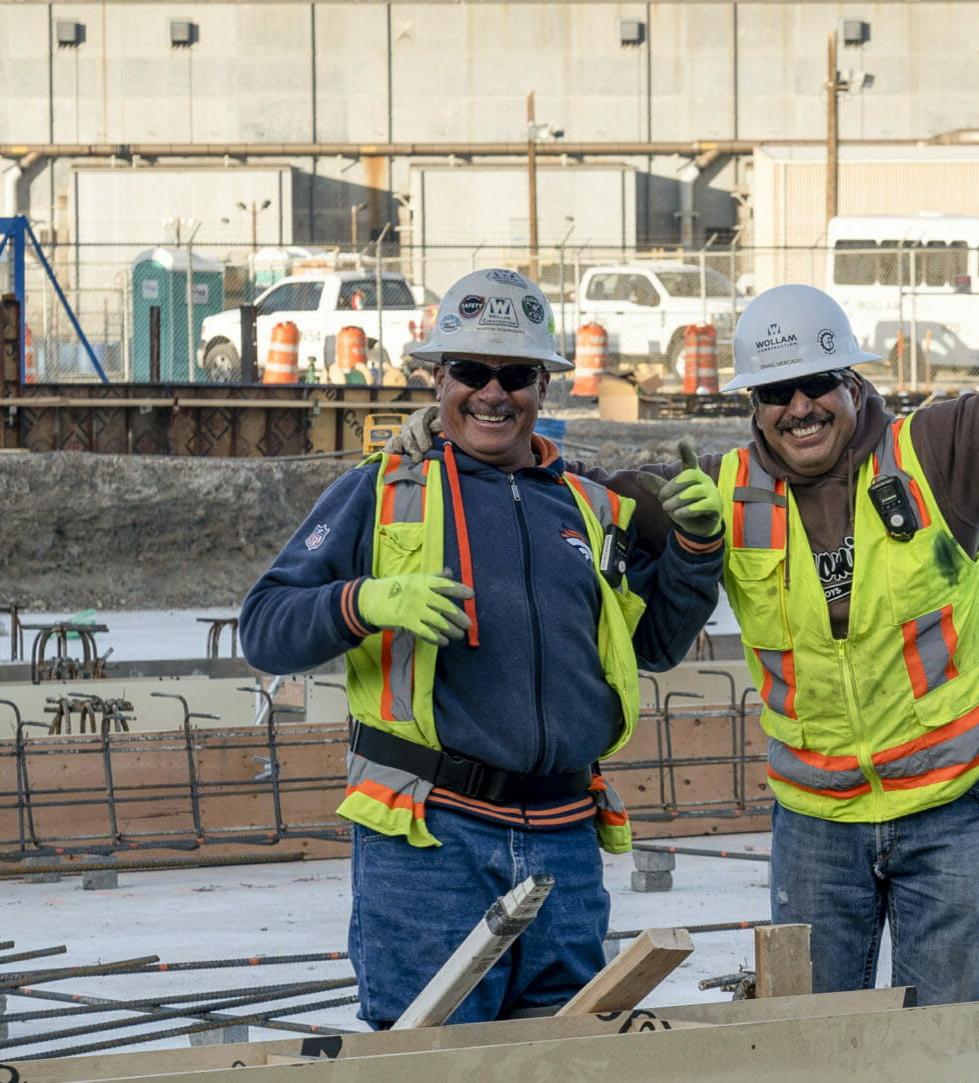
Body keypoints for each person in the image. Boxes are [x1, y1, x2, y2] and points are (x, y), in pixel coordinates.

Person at [386, 180, 979, 1006]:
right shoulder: (725, 489)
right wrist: (460, 441)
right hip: (816, 822)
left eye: (816, 382)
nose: (800, 408)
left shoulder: (937, 453)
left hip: (951, 808)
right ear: (752, 402)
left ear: (850, 380)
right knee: (814, 1039)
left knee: (942, 1038)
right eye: (775, 392)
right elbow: (580, 492)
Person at [238, 267, 725, 1028]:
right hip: (431, 843)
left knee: (560, 1071)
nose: (493, 393)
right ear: (439, 378)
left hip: (564, 839)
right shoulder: (384, 490)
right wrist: (364, 602)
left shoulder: (588, 507)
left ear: (543, 387)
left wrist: (696, 550)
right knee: (428, 1078)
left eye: (516, 375)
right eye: (471, 371)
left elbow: (654, 647)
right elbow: (264, 627)